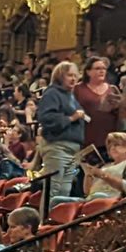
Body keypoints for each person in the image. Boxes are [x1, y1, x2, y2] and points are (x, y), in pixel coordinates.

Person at [35, 61, 89, 200]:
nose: (73, 79)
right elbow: (46, 118)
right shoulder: (52, 93)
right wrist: (72, 118)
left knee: (65, 190)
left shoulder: (70, 96)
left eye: (75, 76)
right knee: (54, 188)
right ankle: (45, 220)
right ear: (60, 76)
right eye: (69, 75)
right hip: (57, 146)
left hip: (72, 149)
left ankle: (57, 220)